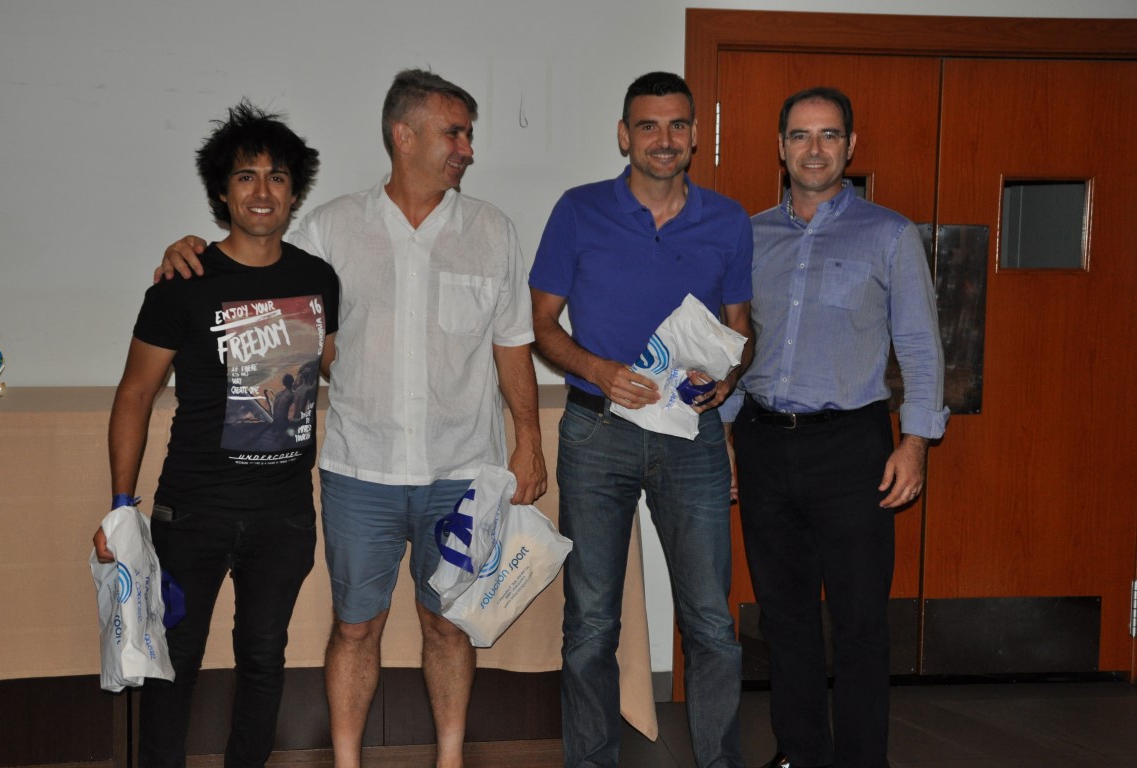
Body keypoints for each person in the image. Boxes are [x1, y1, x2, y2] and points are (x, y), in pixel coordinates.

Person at [158, 69, 547, 768]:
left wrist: (530, 444)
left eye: (468, 135)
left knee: (448, 626)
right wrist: (188, 252)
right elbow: (259, 265)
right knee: (356, 627)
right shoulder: (331, 228)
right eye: (454, 133)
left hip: (462, 472)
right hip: (359, 472)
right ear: (405, 136)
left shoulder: (492, 230)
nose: (467, 148)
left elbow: (512, 346)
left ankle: (449, 760)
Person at [92, 100, 339, 767]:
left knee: (264, 658)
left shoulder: (317, 280)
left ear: (294, 192)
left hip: (284, 517)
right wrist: (121, 505)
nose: (262, 191)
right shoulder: (183, 284)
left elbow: (335, 366)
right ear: (222, 191)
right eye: (245, 176)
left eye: (277, 177)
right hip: (192, 512)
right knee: (173, 661)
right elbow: (134, 394)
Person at [530, 71, 753, 768]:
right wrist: (597, 369)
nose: (664, 139)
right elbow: (541, 325)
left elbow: (741, 329)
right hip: (597, 431)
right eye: (648, 126)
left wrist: (727, 379)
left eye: (678, 125)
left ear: (695, 136)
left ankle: (720, 761)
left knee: (711, 621)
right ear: (624, 135)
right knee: (592, 622)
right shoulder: (578, 210)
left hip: (691, 437)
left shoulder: (729, 220)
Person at [726, 87, 948, 768]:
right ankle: (799, 753)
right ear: (781, 147)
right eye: (800, 135)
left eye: (828, 135)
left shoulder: (889, 234)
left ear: (850, 147)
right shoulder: (750, 235)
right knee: (784, 617)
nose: (814, 149)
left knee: (859, 622)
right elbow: (733, 345)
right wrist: (725, 435)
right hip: (763, 442)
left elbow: (920, 345)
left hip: (852, 449)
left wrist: (915, 442)